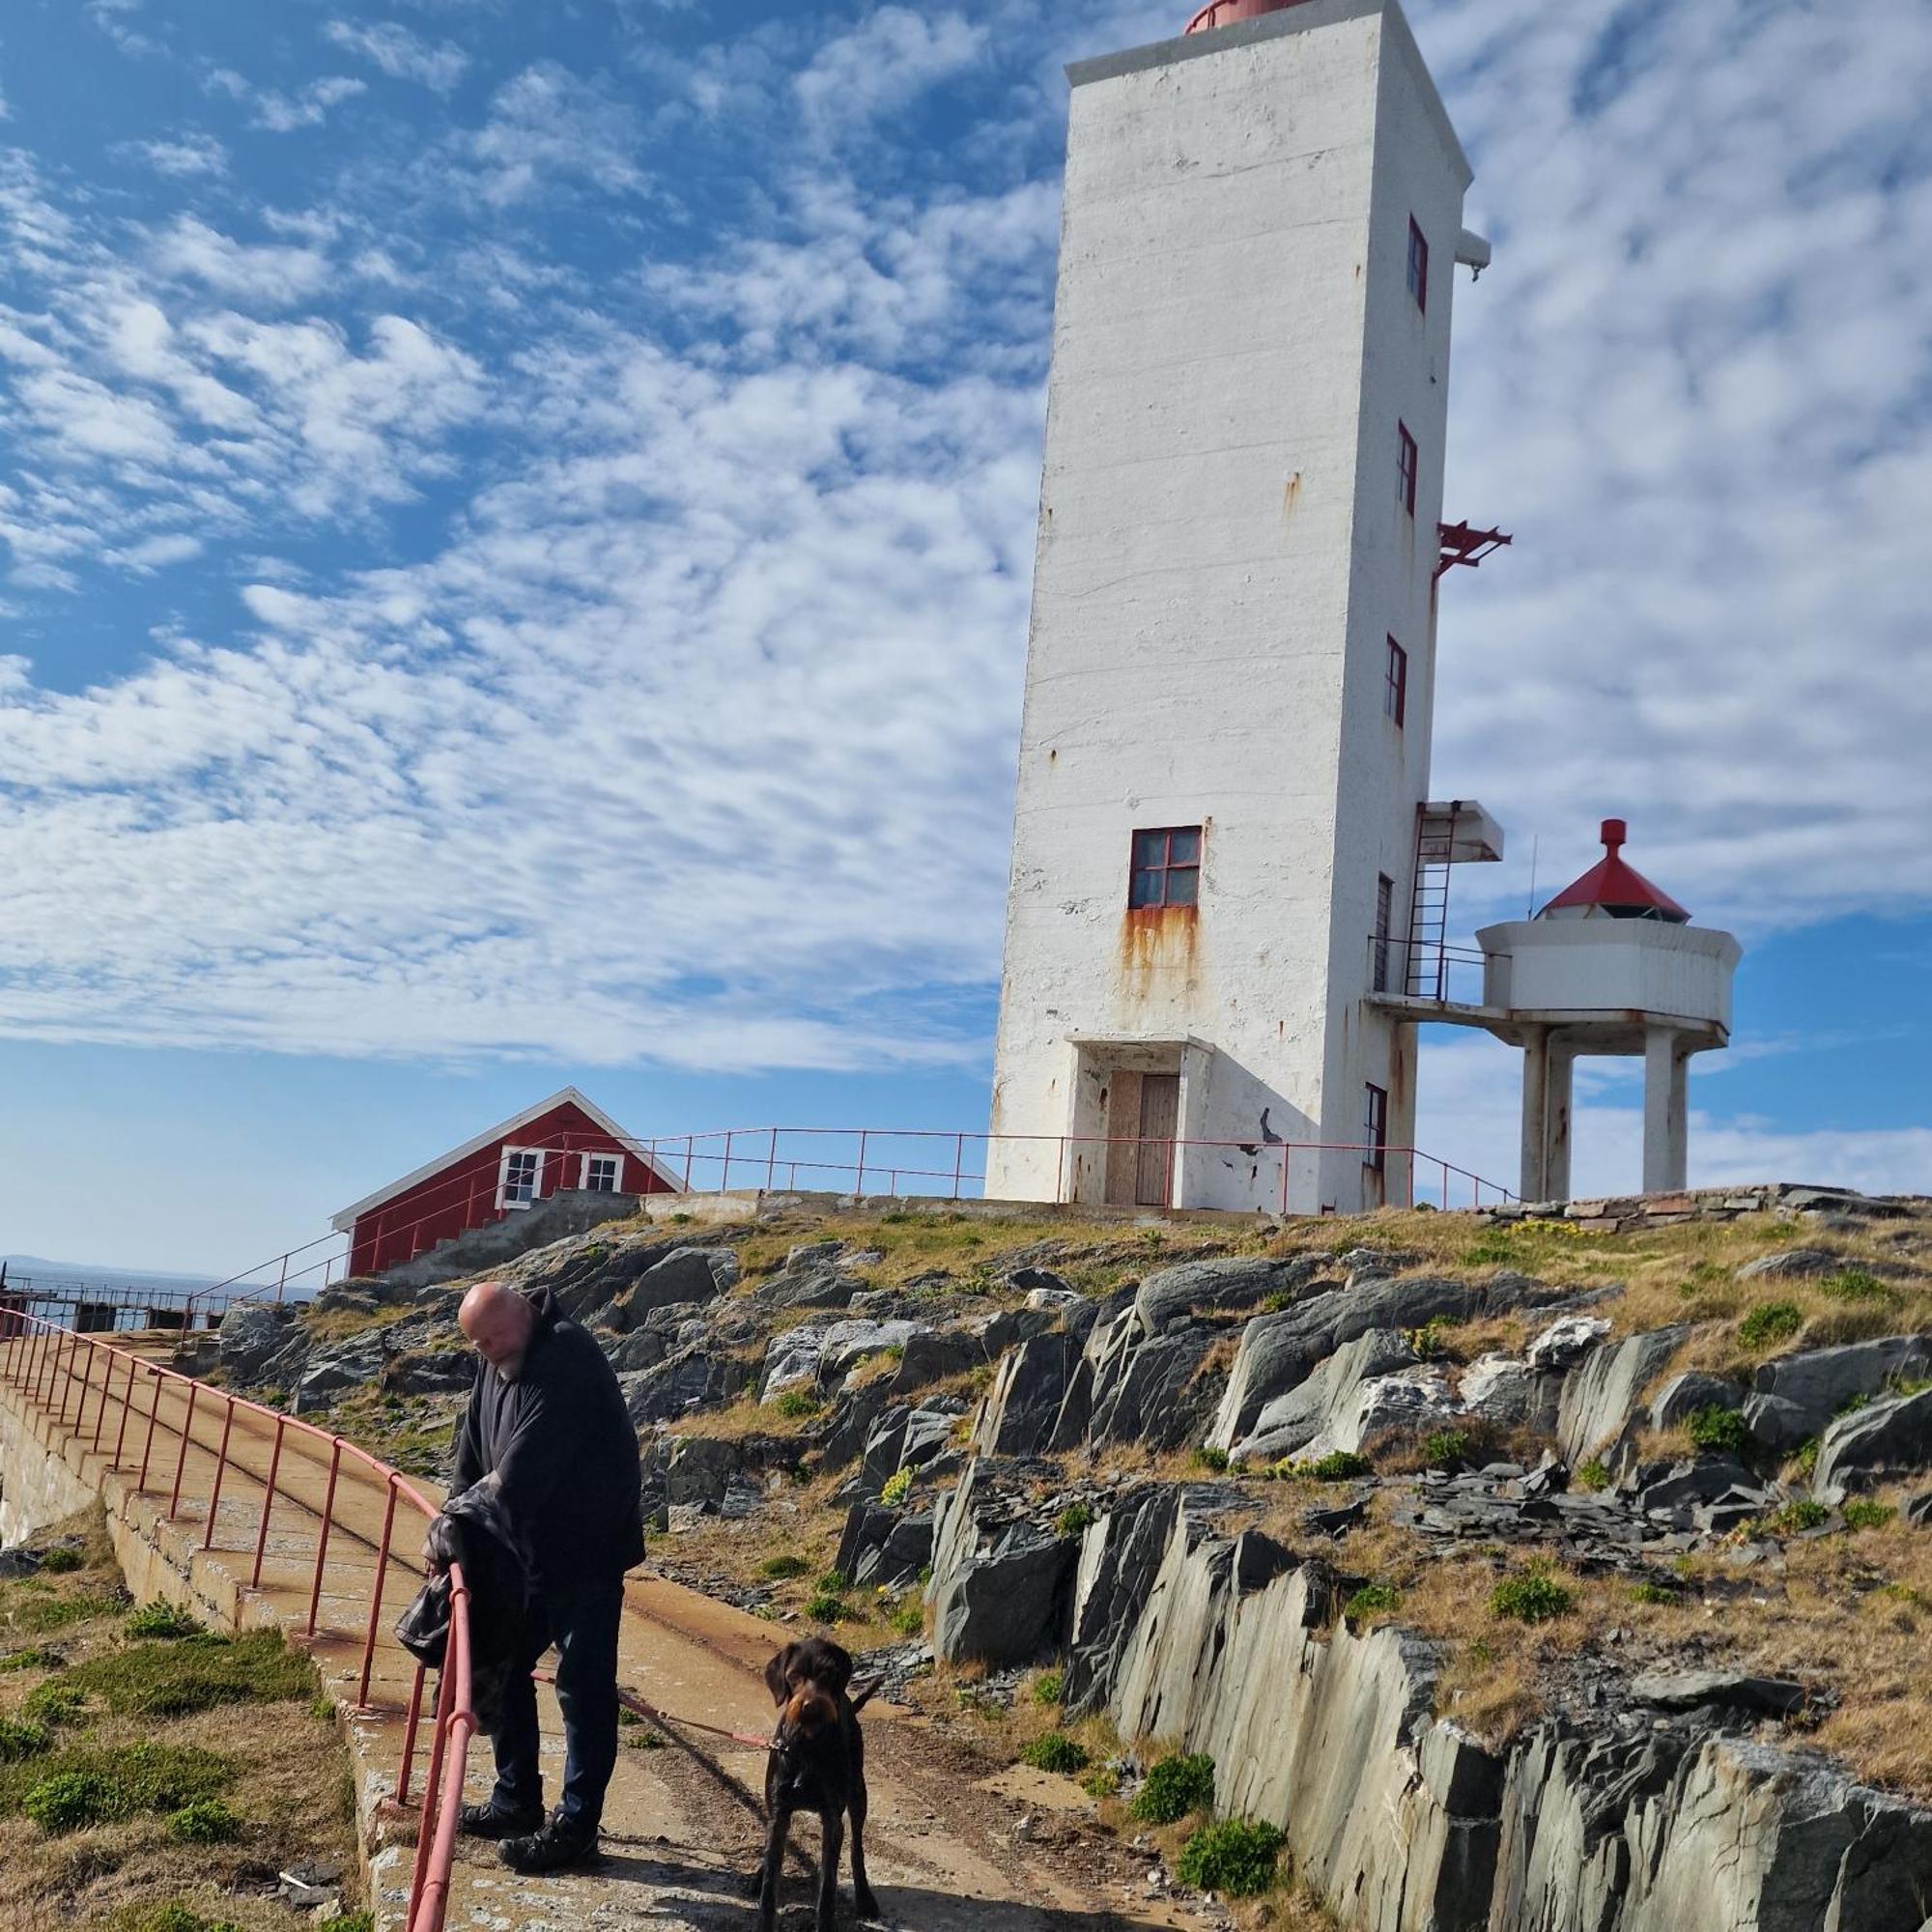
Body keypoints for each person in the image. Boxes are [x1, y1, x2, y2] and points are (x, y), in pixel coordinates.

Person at [428, 1278, 643, 1874]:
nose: (490, 1352)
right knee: (502, 1663)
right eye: (479, 1344)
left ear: (524, 1312)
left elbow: (520, 1473)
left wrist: (460, 1521)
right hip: (524, 1552)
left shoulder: (567, 1356)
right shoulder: (495, 1360)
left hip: (585, 1555)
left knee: (582, 1688)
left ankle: (576, 1827)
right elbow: (471, 1448)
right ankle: (517, 1798)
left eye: (495, 1338)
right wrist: (451, 1516)